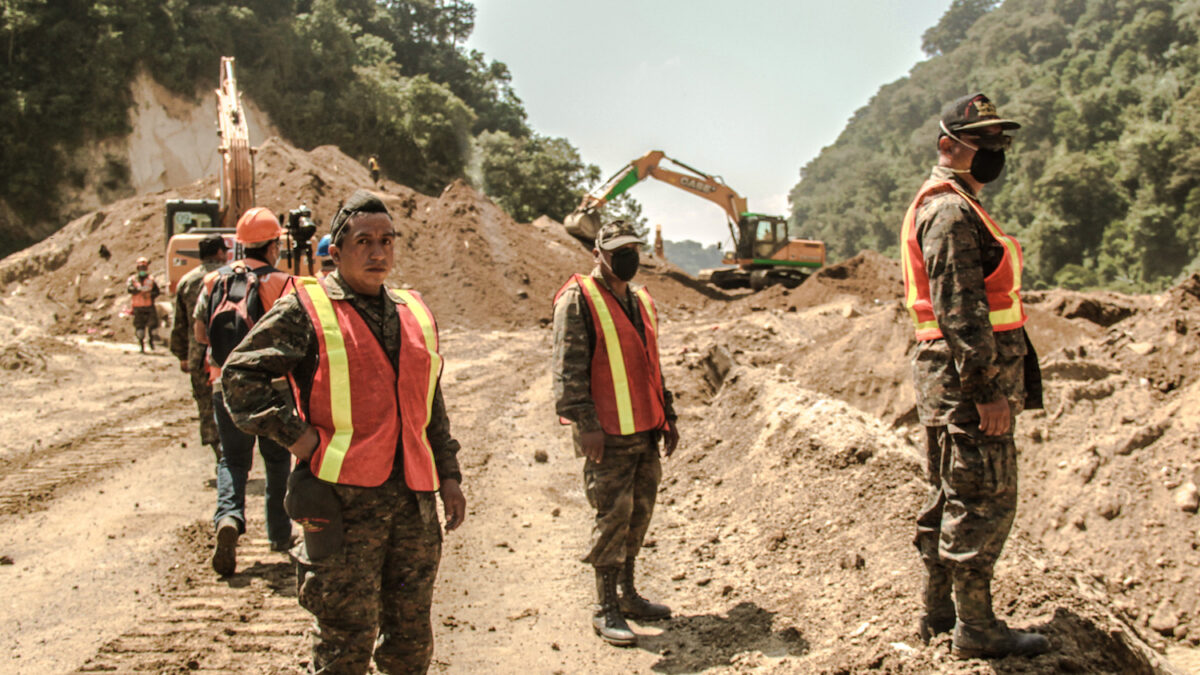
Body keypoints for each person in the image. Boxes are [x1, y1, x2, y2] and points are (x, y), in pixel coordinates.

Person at [221, 189, 466, 674]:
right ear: (336, 250)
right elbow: (240, 376)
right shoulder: (307, 309)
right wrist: (296, 436)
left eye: (387, 241)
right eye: (364, 241)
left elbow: (430, 402)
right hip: (342, 505)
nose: (377, 252)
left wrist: (450, 474)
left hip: (413, 509)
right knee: (345, 645)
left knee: (411, 642)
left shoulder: (414, 311)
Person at [901, 93, 1048, 659]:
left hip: (949, 383)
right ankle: (977, 629)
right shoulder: (949, 211)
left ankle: (938, 614)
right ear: (948, 145)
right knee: (983, 502)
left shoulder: (959, 204)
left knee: (950, 497)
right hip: (967, 387)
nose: (994, 151)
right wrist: (986, 389)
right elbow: (960, 306)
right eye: (982, 141)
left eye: (999, 141)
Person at [552, 220, 680, 647]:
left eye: (633, 248)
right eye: (619, 249)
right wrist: (586, 426)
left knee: (639, 512)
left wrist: (669, 416)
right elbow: (568, 371)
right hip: (606, 433)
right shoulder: (578, 299)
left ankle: (627, 594)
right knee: (612, 516)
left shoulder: (642, 299)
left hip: (645, 428)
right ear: (598, 253)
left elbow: (651, 363)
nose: (629, 257)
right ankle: (605, 606)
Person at [193, 207, 294, 575]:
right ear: (272, 246)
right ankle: (280, 535)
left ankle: (229, 518)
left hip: (224, 383)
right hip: (272, 386)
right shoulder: (282, 283)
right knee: (277, 460)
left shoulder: (213, 281)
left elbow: (201, 334)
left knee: (233, 461)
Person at [169, 234, 229, 463]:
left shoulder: (187, 281)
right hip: (227, 354)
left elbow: (180, 324)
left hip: (198, 356)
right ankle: (232, 454)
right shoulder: (230, 277)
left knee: (206, 406)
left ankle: (219, 453)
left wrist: (182, 355)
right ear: (221, 253)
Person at [127, 256, 161, 353]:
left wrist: (150, 295)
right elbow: (129, 289)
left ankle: (151, 343)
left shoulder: (151, 279)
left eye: (144, 268)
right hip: (138, 307)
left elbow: (157, 291)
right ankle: (141, 346)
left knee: (152, 326)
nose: (142, 270)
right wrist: (138, 290)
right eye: (140, 268)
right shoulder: (133, 280)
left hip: (149, 306)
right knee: (139, 327)